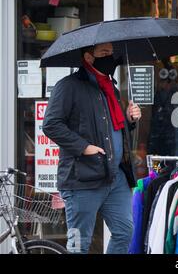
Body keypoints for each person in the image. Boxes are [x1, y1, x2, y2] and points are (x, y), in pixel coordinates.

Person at [43, 42, 142, 254]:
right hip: (82, 179)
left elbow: (112, 129)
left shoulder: (110, 87)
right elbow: (51, 124)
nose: (110, 58)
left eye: (111, 53)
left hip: (115, 177)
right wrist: (83, 147)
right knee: (80, 244)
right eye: (104, 53)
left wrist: (129, 119)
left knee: (124, 232)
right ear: (88, 57)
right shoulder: (68, 86)